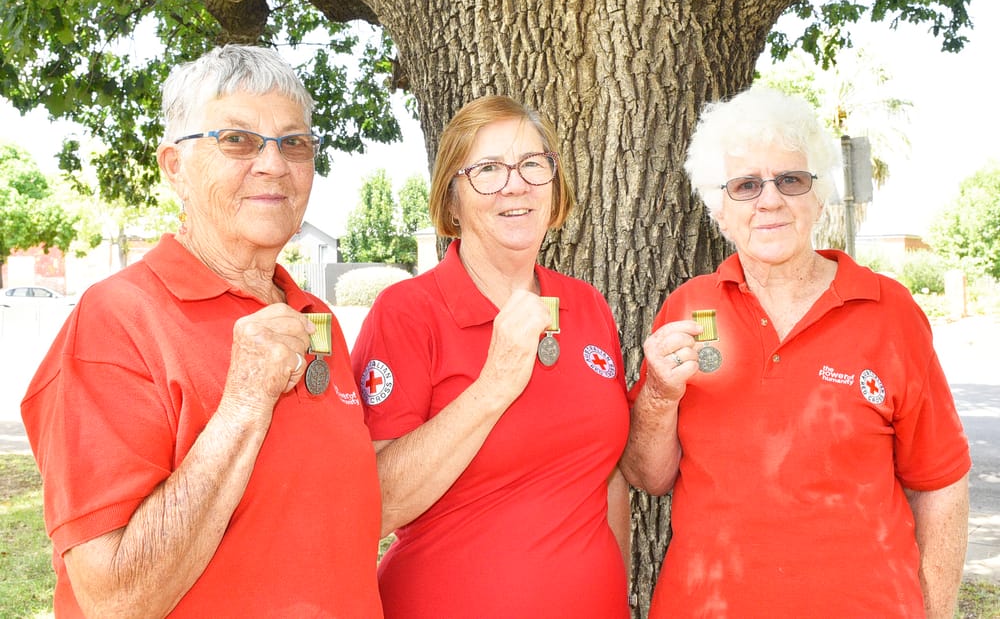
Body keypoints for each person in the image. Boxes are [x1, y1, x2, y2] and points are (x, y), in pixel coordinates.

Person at [20, 45, 383, 618]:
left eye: (295, 142)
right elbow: (115, 600)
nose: (273, 164)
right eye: (236, 140)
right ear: (174, 167)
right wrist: (243, 403)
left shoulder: (317, 316)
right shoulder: (116, 320)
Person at [621, 85, 971, 618]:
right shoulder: (687, 309)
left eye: (790, 179)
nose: (770, 200)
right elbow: (649, 477)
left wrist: (937, 610)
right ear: (719, 208)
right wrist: (658, 396)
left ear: (818, 194)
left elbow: (941, 483)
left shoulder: (890, 313)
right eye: (745, 185)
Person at [351, 95, 631, 618]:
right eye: (487, 169)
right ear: (452, 201)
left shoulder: (587, 305)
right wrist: (493, 386)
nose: (515, 183)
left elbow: (605, 475)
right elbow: (374, 506)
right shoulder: (408, 312)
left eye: (531, 164)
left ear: (554, 184)